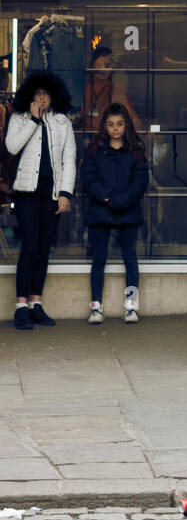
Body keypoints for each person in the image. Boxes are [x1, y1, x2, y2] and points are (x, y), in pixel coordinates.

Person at [5, 71, 77, 329]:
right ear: (30, 96)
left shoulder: (62, 122)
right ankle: (21, 305)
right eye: (37, 94)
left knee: (45, 248)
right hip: (26, 192)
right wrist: (33, 121)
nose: (42, 98)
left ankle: (36, 302)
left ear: (53, 96)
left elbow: (69, 159)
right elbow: (12, 147)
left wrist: (65, 194)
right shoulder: (18, 118)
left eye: (46, 94)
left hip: (51, 193)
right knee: (30, 247)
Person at [80, 104, 149, 324]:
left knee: (130, 258)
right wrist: (108, 198)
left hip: (127, 211)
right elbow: (88, 179)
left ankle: (131, 306)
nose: (115, 129)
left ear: (126, 125)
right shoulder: (94, 150)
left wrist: (119, 200)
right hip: (102, 211)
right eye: (110, 124)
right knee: (98, 259)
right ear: (104, 126)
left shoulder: (136, 151)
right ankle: (96, 307)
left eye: (119, 124)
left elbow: (140, 182)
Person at [84, 47, 141, 132]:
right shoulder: (84, 90)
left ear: (112, 68)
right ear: (92, 66)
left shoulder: (117, 91)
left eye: (107, 66)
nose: (102, 70)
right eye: (99, 66)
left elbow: (134, 123)